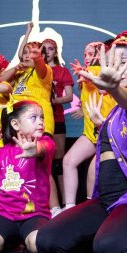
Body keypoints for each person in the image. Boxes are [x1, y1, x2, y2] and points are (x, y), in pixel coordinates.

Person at [36, 35, 127, 253]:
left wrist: (115, 88)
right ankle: (109, 236)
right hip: (105, 201)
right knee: (47, 241)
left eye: (123, 62)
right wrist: (102, 125)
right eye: (112, 63)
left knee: (111, 250)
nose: (117, 68)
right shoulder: (115, 113)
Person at [0, 100, 54, 253]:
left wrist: (35, 149)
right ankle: (13, 239)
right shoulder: (3, 151)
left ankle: (24, 239)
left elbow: (42, 148)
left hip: (35, 215)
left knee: (37, 244)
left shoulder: (46, 143)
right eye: (33, 117)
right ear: (15, 124)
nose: (40, 122)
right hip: (5, 215)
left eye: (42, 117)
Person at [61, 42, 114, 208]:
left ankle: (91, 209)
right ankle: (69, 207)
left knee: (93, 171)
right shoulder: (86, 73)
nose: (87, 57)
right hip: (91, 133)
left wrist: (88, 75)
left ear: (100, 55)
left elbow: (103, 89)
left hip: (108, 133)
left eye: (91, 54)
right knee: (68, 161)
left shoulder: (100, 72)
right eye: (85, 54)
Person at [42, 38, 74, 213]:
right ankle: (48, 205)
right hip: (37, 121)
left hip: (57, 119)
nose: (47, 51)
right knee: (42, 163)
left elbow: (69, 97)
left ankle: (66, 205)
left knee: (58, 162)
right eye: (44, 48)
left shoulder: (62, 71)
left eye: (50, 49)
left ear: (56, 52)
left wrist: (51, 101)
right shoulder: (35, 71)